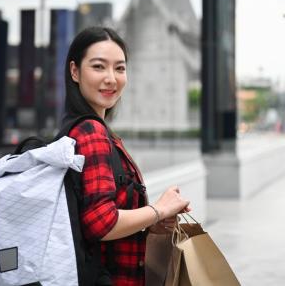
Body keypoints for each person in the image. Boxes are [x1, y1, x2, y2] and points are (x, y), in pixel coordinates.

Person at [63, 26, 191, 285]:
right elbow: (101, 223)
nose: (111, 78)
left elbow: (94, 222)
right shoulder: (90, 131)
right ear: (75, 71)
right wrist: (158, 209)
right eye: (99, 67)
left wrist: (153, 223)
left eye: (119, 68)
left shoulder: (82, 128)